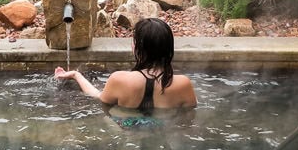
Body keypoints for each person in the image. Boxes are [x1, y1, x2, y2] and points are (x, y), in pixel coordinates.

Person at [54, 17, 197, 111]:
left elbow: (97, 96)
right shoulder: (183, 84)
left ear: (137, 47)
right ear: (169, 48)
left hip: (129, 135)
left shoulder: (119, 79)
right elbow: (187, 120)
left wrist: (75, 75)